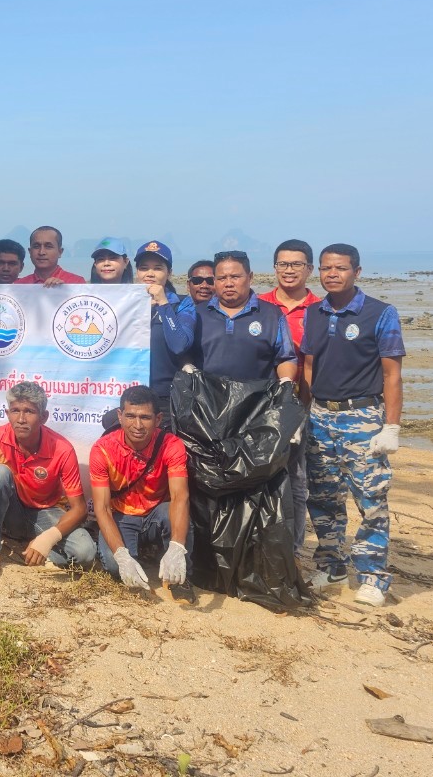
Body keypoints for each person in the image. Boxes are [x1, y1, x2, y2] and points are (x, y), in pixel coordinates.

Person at [301, 244, 405, 608]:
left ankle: (373, 575)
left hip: (362, 416)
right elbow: (309, 365)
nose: (333, 274)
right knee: (324, 497)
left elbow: (392, 374)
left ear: (356, 272)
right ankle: (332, 566)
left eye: (341, 268)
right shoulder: (314, 313)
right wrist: (306, 411)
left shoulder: (380, 313)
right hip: (320, 417)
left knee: (371, 498)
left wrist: (390, 425)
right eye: (327, 268)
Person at [0, 381, 96, 576]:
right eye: (15, 411)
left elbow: (79, 509)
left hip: (43, 513)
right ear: (7, 414)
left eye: (29, 411)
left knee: (85, 553)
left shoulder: (62, 449)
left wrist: (47, 539)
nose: (21, 419)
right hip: (9, 512)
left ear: (44, 417)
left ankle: (32, 548)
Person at [91, 386, 193, 596]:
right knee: (114, 566)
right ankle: (129, 556)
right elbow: (102, 508)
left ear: (158, 419)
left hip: (156, 513)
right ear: (120, 416)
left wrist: (177, 547)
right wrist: (121, 556)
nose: (137, 425)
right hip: (121, 515)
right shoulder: (102, 449)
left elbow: (180, 497)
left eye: (145, 417)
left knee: (171, 512)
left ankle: (182, 577)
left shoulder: (171, 445)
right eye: (130, 416)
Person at [259, 239, 321, 553]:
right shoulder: (259, 306)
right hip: (260, 405)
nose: (289, 270)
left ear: (310, 269)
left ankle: (294, 549)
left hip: (300, 404)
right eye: (283, 264)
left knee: (296, 480)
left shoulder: (321, 310)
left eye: (296, 264)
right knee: (259, 475)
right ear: (274, 268)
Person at [190, 251, 297, 383]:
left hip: (259, 400)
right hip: (208, 399)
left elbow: (286, 357)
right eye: (222, 278)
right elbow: (185, 353)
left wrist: (285, 382)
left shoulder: (272, 314)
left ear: (250, 277)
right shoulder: (197, 314)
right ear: (215, 280)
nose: (228, 283)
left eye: (235, 277)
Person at [133, 241, 194, 417]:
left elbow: (179, 345)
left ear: (169, 272)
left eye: (158, 268)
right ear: (137, 272)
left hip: (166, 398)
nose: (150, 274)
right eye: (144, 268)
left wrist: (163, 304)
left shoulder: (183, 303)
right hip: (127, 391)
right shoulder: (124, 303)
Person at [16, 227, 86, 286]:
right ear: (30, 252)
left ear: (60, 252)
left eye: (48, 247)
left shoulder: (76, 283)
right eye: (36, 246)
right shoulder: (20, 285)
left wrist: (64, 290)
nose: (41, 252)